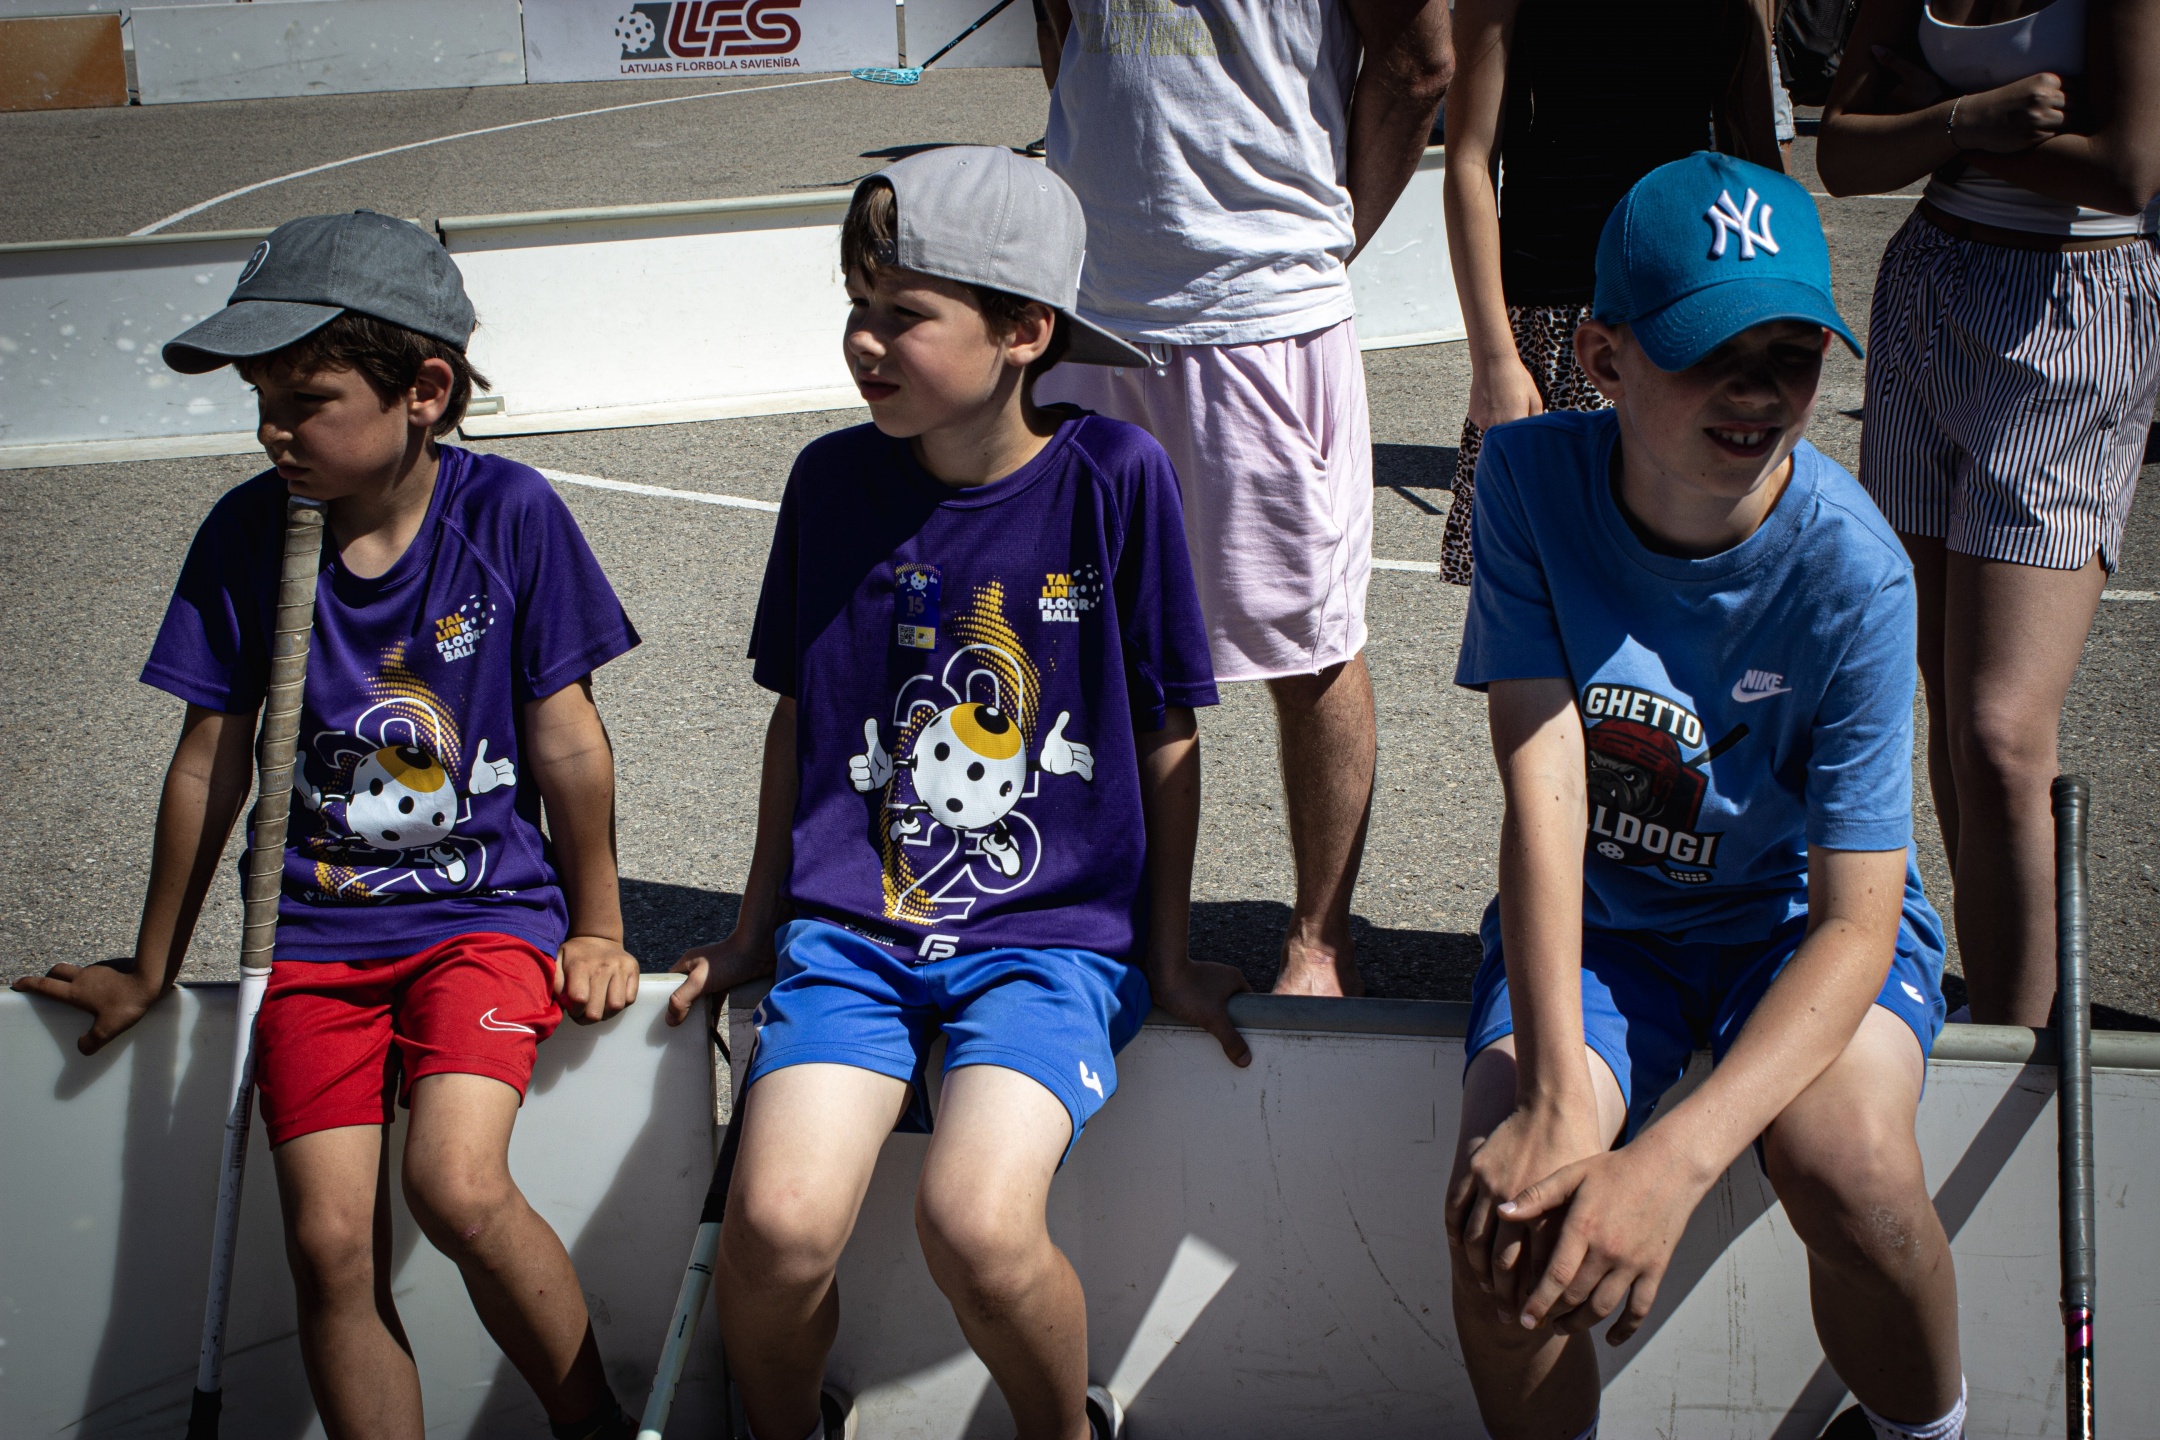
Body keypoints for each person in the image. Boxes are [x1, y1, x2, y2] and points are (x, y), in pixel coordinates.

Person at [12, 212, 645, 1440]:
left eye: (306, 400)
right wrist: (151, 965)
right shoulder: (245, 532)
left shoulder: (510, 515)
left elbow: (568, 741)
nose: (272, 431)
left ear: (425, 392)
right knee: (328, 1244)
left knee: (455, 1186)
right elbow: (210, 762)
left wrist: (602, 923)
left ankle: (595, 1427)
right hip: (308, 939)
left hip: (483, 917)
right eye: (260, 400)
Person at [664, 147, 1252, 1440]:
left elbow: (1167, 733)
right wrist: (755, 930)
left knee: (978, 1226)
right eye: (856, 305)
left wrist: (1165, 953)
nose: (864, 340)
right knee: (776, 1233)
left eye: (904, 313)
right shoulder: (829, 483)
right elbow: (798, 720)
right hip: (852, 937)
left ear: (1025, 331)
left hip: (1052, 943)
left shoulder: (1117, 478)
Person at [1444, 155, 1966, 1440]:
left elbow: (1856, 920)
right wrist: (1555, 1097)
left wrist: (1672, 1165)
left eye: (1792, 354)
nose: (1758, 390)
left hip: (1792, 930)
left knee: (1857, 1179)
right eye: (1711, 353)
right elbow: (1545, 791)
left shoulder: (1858, 574)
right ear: (1604, 358)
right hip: (1605, 925)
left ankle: (1921, 1430)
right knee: (1507, 1228)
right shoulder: (1525, 482)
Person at [1032, 0, 1453, 997]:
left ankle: (1319, 943)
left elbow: (1419, 59)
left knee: (1307, 641)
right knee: (1078, 631)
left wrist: (1314, 243)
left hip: (1261, 308)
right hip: (1090, 298)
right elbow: (1064, 27)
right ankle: (1097, 914)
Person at [1818, 0, 2160, 1025]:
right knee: (1945, 700)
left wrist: (1935, 119)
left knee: (2002, 734)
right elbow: (1843, 154)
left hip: (2076, 307)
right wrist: (1969, 118)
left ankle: (2026, 1053)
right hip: (1928, 288)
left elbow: (2127, 170)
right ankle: (1999, 1013)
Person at [1439, 0, 1785, 586]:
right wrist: (1493, 358)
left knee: (1689, 584)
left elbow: (1753, 148)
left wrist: (1771, 318)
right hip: (1556, 317)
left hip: (1693, 314)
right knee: (1538, 596)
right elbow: (1470, 158)